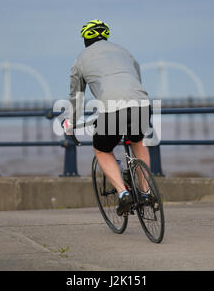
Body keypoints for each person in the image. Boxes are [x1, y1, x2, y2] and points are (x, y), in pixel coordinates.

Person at [62, 19, 152, 216]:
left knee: (102, 149)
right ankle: (146, 191)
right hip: (141, 103)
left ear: (85, 39)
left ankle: (123, 194)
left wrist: (71, 123)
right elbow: (136, 79)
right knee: (137, 141)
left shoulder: (80, 60)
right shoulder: (124, 52)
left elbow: (76, 98)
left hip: (112, 108)